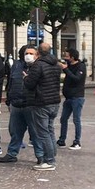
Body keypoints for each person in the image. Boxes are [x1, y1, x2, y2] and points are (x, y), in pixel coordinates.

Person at [0, 46, 38, 163]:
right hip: (16, 102)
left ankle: (41, 156)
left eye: (30, 53)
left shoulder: (37, 66)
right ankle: (12, 153)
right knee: (14, 131)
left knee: (35, 133)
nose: (27, 55)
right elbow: (11, 81)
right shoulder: (16, 65)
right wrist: (9, 98)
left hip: (30, 104)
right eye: (26, 53)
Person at [24, 41, 61, 170]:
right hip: (54, 101)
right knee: (50, 130)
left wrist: (25, 78)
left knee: (43, 132)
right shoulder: (56, 64)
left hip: (42, 102)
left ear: (38, 53)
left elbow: (30, 84)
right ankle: (51, 155)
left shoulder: (38, 65)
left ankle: (50, 160)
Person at [57, 48, 87, 149]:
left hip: (77, 97)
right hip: (68, 97)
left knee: (76, 119)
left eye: (67, 56)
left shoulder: (81, 66)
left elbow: (77, 79)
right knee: (63, 119)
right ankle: (62, 140)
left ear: (72, 57)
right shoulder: (69, 65)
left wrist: (65, 69)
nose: (65, 58)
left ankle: (77, 141)